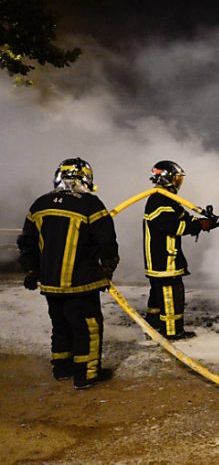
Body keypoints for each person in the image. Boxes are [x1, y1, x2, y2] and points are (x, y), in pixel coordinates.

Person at [17, 158, 120, 389]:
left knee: (61, 325)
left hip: (51, 284)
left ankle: (62, 369)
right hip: (81, 283)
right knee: (88, 328)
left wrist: (31, 270)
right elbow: (106, 242)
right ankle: (87, 374)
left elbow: (27, 242)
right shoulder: (90, 204)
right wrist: (108, 268)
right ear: (85, 179)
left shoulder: (40, 204)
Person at [143, 160, 219, 339]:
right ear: (167, 179)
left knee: (158, 297)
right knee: (171, 296)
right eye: (177, 179)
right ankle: (173, 332)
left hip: (162, 261)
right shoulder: (159, 200)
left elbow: (185, 219)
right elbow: (174, 226)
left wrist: (210, 223)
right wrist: (198, 225)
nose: (178, 183)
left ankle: (153, 326)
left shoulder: (166, 199)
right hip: (164, 261)